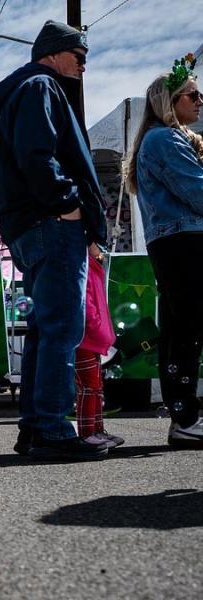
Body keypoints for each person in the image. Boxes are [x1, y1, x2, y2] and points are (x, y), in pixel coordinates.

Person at [0, 20, 107, 460]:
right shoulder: (41, 86)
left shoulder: (26, 90)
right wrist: (68, 203)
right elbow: (37, 155)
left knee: (44, 328)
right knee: (61, 328)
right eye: (79, 56)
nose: (83, 65)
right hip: (52, 224)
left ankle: (36, 428)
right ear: (55, 52)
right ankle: (53, 429)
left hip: (31, 225)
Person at [127, 56, 203, 447]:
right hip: (185, 241)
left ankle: (184, 417)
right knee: (186, 330)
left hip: (173, 241)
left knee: (181, 330)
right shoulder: (165, 139)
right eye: (192, 94)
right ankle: (186, 417)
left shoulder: (155, 140)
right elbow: (197, 192)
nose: (200, 99)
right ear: (168, 101)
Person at [73, 246, 123, 449]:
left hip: (93, 338)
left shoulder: (92, 266)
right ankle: (87, 433)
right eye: (95, 244)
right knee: (88, 387)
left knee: (97, 388)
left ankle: (98, 430)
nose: (100, 249)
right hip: (84, 337)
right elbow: (87, 305)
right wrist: (98, 329)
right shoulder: (82, 265)